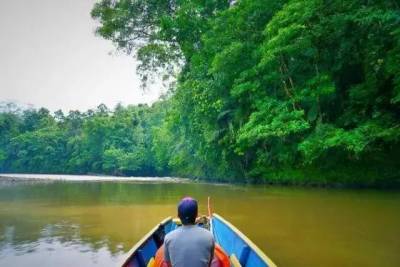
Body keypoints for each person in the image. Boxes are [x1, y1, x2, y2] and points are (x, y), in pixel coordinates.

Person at [163, 197, 215, 267]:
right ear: (196, 215)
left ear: (178, 216)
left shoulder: (168, 238)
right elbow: (209, 263)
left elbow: (169, 264)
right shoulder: (209, 236)